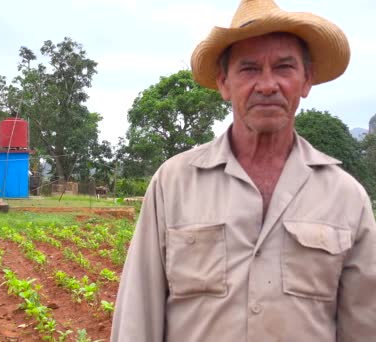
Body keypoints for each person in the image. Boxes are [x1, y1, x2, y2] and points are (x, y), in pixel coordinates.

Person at [111, 1, 376, 341]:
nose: (267, 85)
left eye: (284, 67)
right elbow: (138, 317)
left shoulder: (346, 197)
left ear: (306, 80)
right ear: (224, 83)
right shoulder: (173, 184)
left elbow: (365, 327)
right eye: (249, 69)